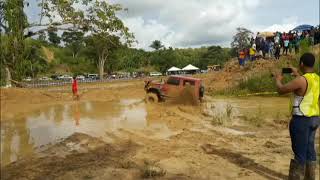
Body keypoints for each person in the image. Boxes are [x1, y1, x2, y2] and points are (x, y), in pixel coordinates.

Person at [273, 53, 320, 180]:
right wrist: (298, 74)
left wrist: (277, 79)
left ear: (302, 64)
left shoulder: (300, 80)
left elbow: (281, 90)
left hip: (301, 120)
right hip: (315, 118)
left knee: (299, 153)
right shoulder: (316, 79)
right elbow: (307, 88)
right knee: (310, 150)